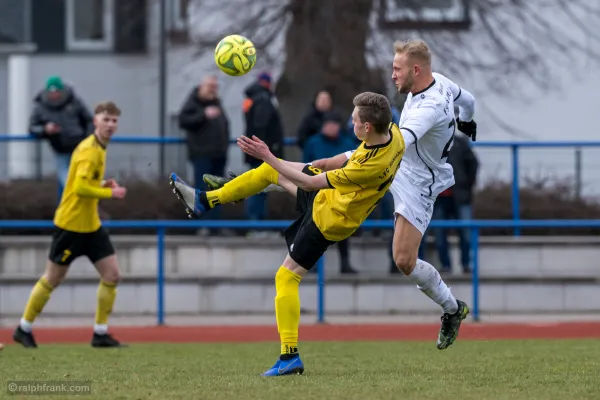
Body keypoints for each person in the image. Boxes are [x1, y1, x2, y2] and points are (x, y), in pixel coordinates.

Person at [169, 92, 404, 376]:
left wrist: (269, 155)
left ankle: (289, 356)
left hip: (329, 219)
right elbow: (332, 162)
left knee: (286, 276)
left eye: (353, 121)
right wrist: (302, 163)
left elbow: (307, 183)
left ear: (367, 127)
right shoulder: (392, 133)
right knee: (270, 171)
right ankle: (209, 199)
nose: (349, 125)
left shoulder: (365, 168)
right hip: (331, 200)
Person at [311, 39, 477, 350]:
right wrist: (467, 122)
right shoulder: (440, 81)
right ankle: (258, 180)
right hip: (400, 167)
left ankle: (453, 309)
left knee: (403, 260)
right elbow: (467, 99)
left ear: (416, 69)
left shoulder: (427, 110)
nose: (393, 75)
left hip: (417, 184)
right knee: (321, 176)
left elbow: (397, 142)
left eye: (397, 69)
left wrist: (353, 154)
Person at [13, 101, 128, 349]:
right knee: (52, 279)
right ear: (95, 121)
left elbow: (87, 183)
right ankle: (23, 328)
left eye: (114, 120)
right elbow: (79, 187)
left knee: (112, 274)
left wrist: (103, 185)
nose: (110, 125)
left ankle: (100, 333)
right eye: (105, 119)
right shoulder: (89, 150)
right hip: (71, 226)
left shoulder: (99, 147)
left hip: (91, 226)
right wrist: (110, 194)